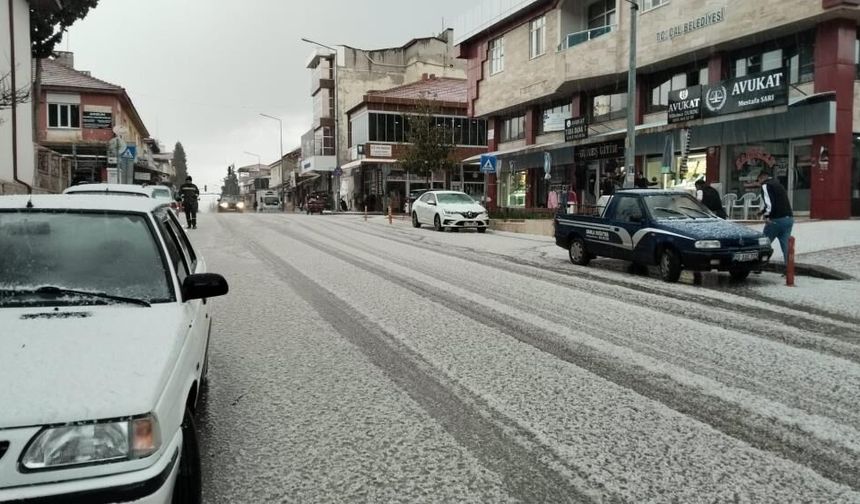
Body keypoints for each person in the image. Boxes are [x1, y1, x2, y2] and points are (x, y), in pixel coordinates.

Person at [757, 169, 794, 262]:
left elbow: (769, 203)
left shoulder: (765, 185)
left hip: (776, 220)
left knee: (763, 243)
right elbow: (778, 202)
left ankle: (758, 265)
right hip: (788, 218)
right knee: (786, 245)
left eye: (758, 180)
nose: (759, 183)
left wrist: (766, 216)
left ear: (762, 178)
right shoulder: (778, 184)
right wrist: (762, 212)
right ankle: (789, 269)